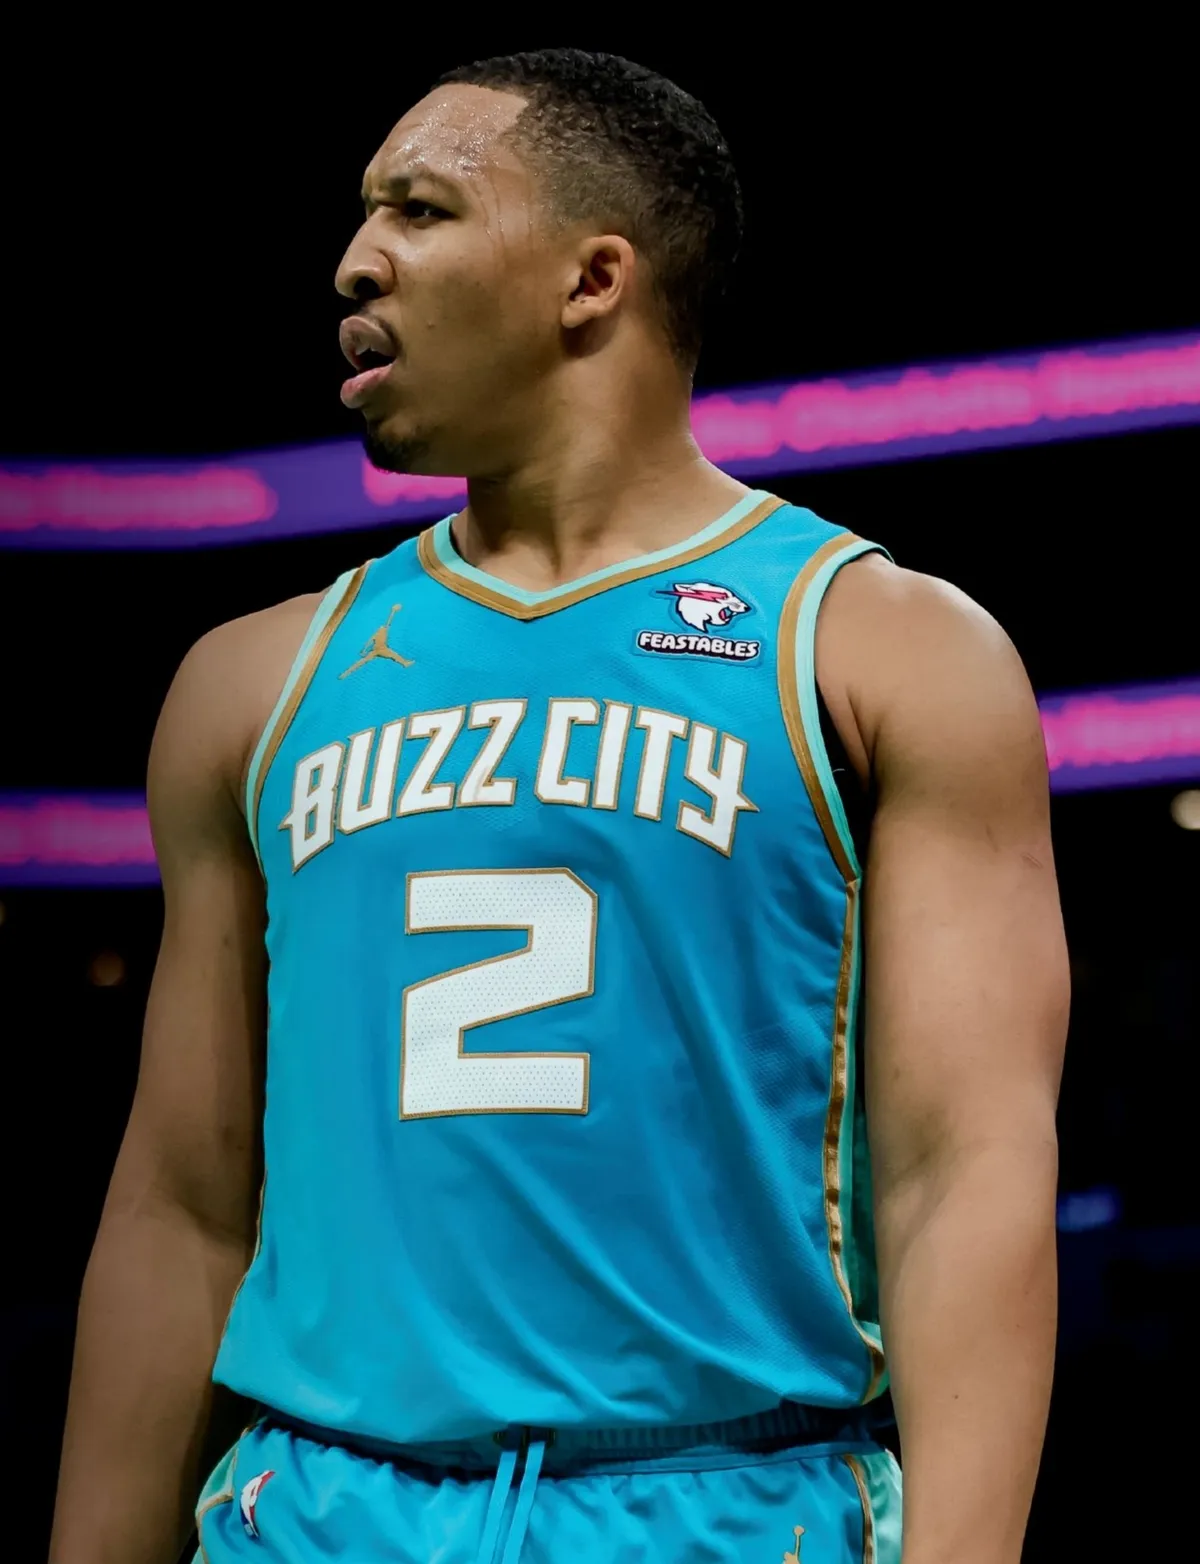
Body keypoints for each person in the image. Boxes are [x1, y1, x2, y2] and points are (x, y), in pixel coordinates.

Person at [49, 48, 1068, 1564]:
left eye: (422, 208)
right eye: (364, 212)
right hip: (315, 1512)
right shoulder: (251, 683)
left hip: (732, 1507)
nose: (356, 261)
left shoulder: (881, 648)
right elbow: (184, 1206)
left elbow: (963, 1176)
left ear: (593, 279)